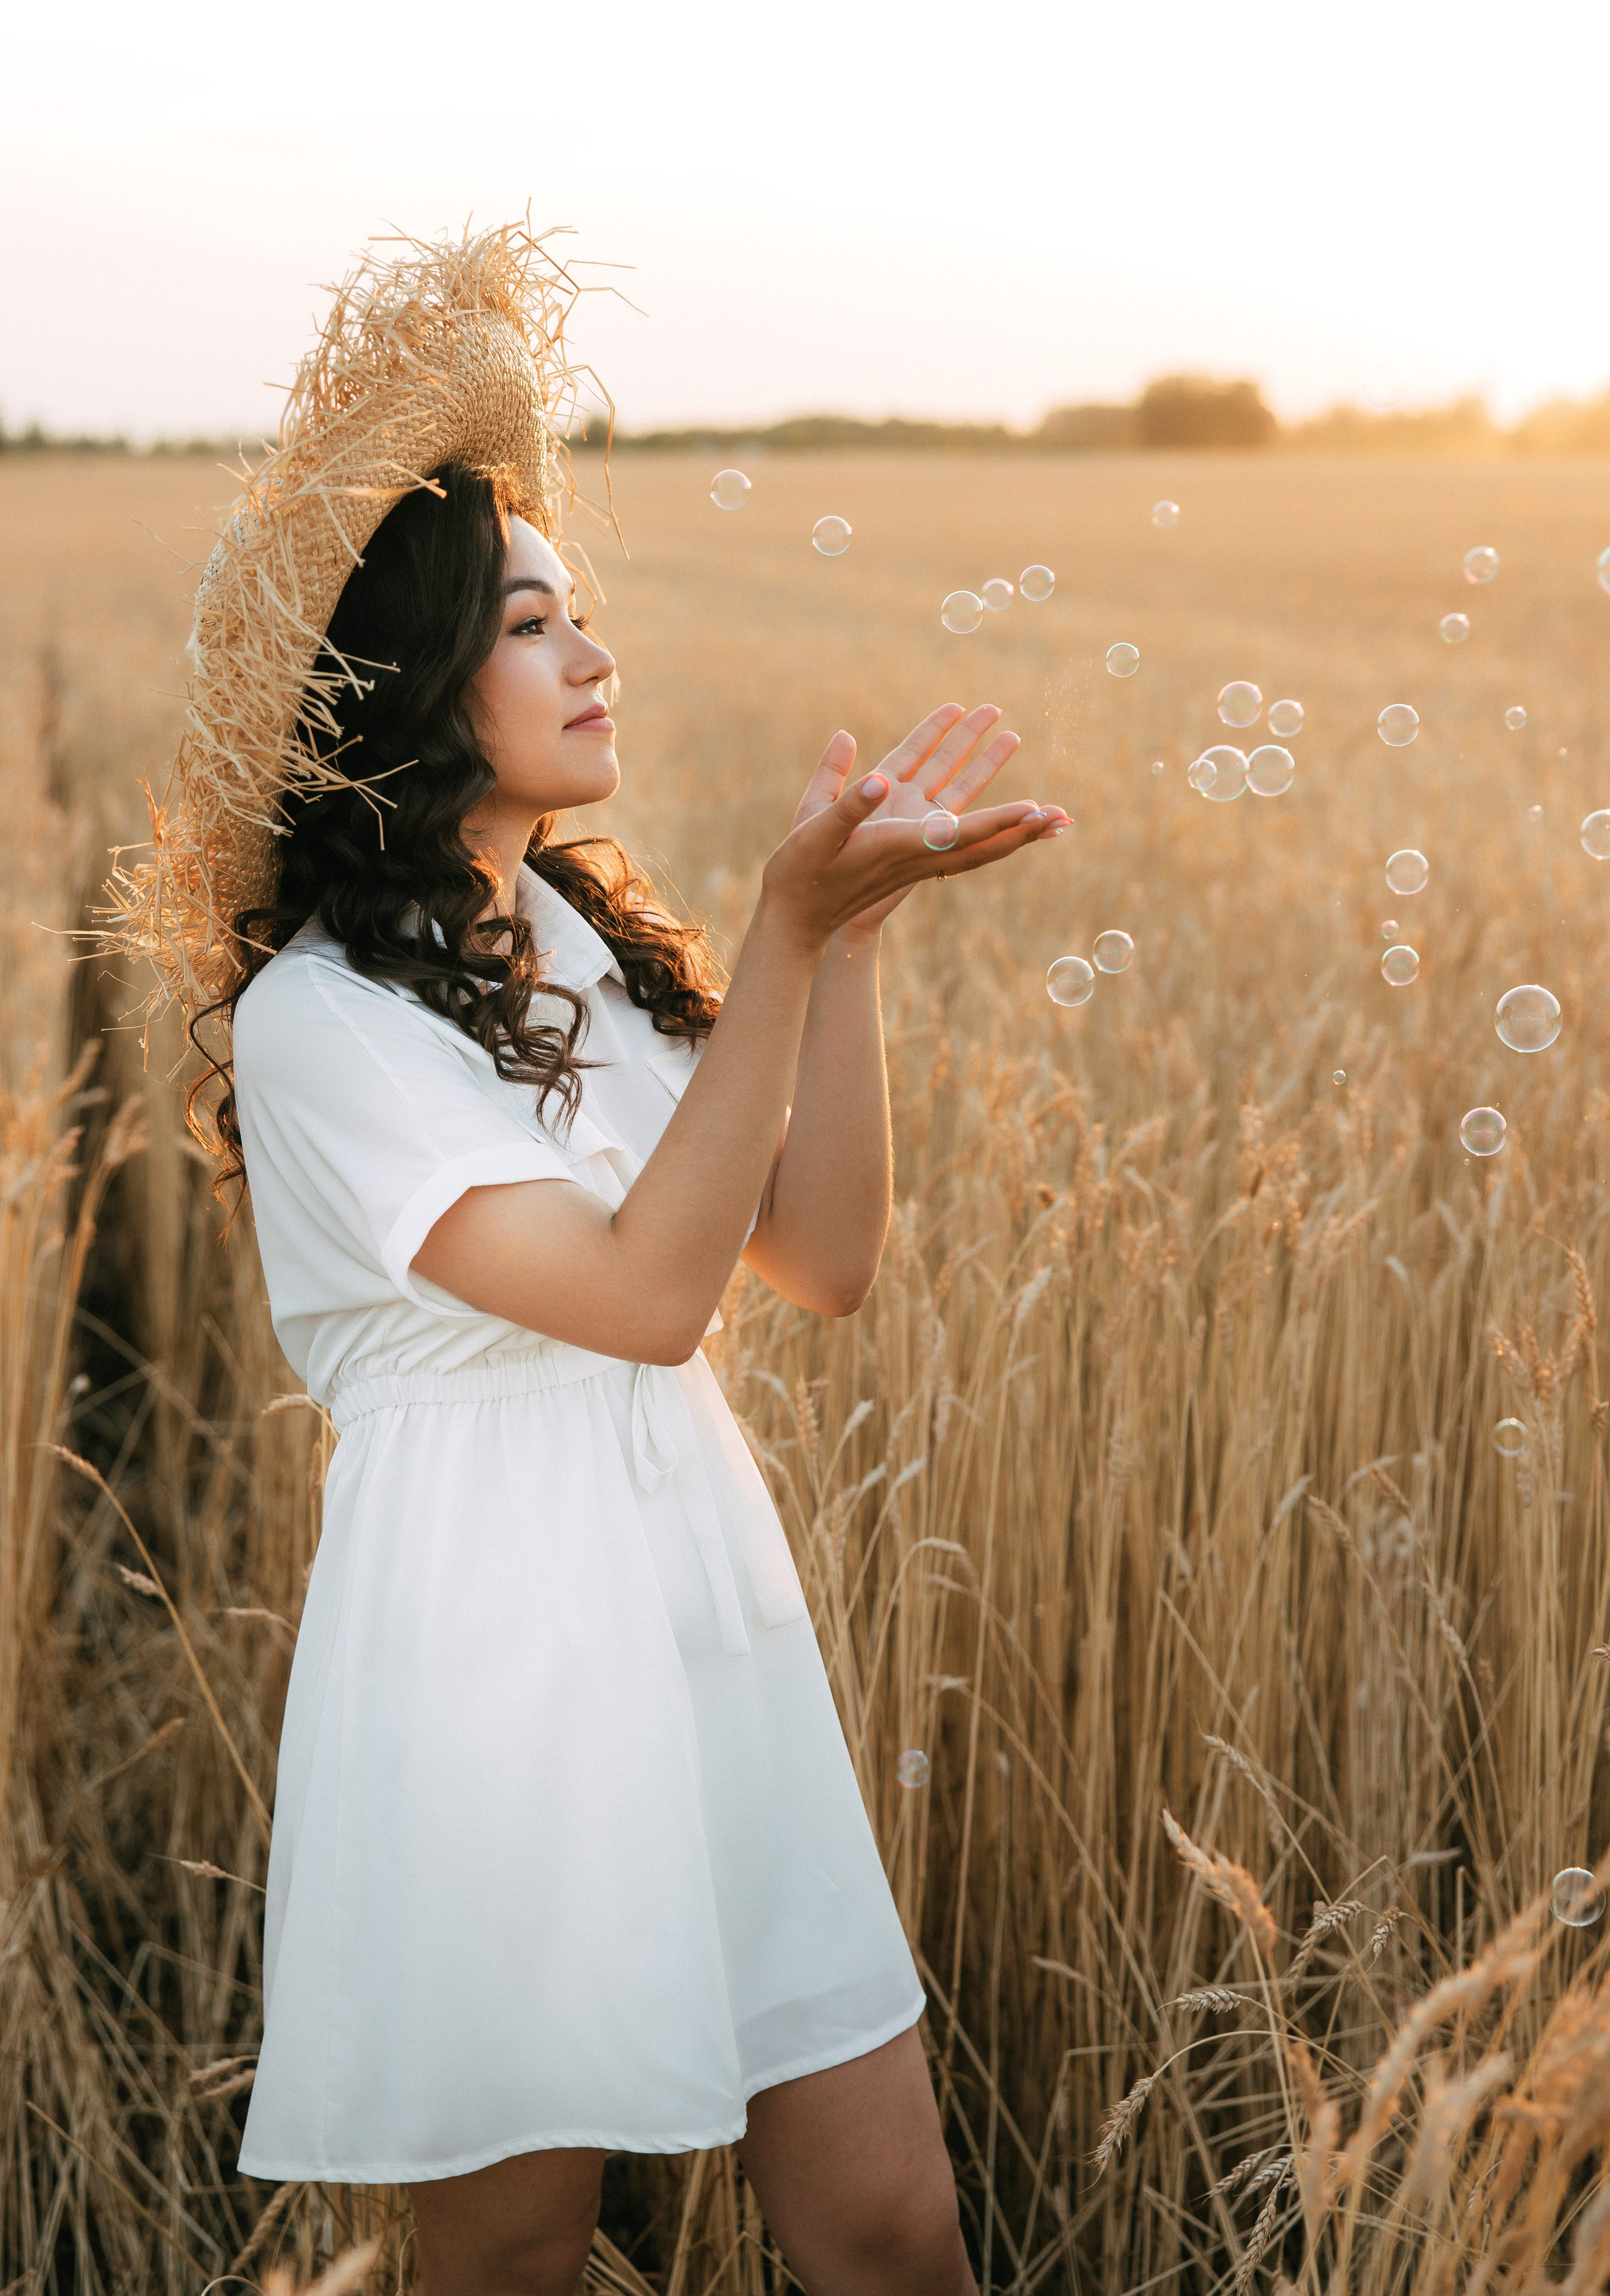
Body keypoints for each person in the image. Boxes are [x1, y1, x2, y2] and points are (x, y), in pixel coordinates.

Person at [104, 229, 1070, 2296]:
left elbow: (816, 1259)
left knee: (890, 2216)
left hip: (696, 1589)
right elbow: (644, 1298)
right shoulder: (317, 1026)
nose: (591, 655)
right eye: (533, 621)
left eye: (589, 615)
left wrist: (849, 954)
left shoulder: (584, 948)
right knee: (519, 2254)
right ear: (415, 681)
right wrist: (790, 937)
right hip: (493, 1642)